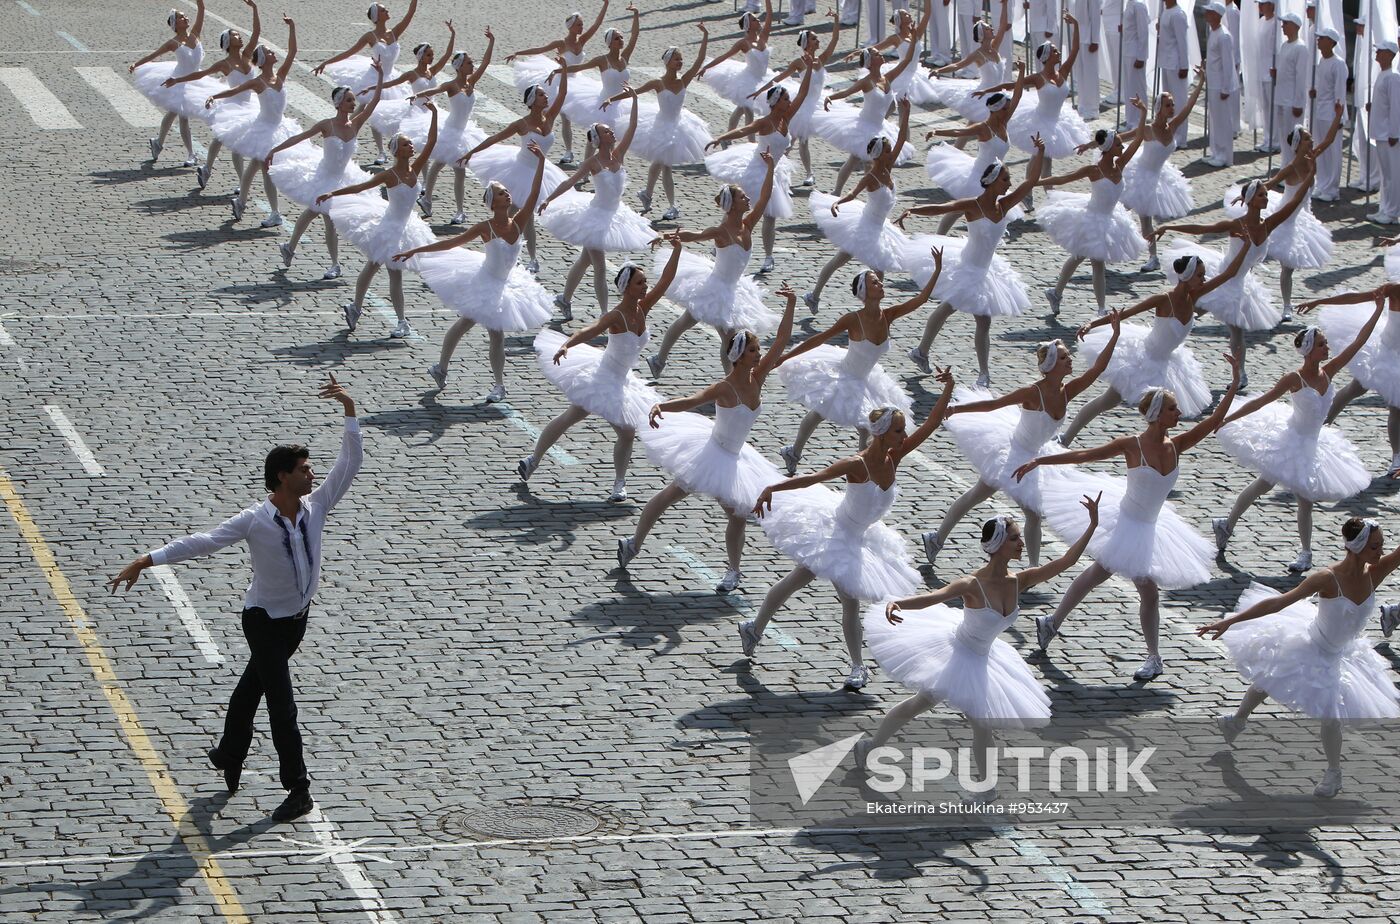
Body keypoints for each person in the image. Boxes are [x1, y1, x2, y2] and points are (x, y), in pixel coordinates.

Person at [107, 375, 362, 824]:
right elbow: (203, 542)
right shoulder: (253, 521)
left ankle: (229, 753)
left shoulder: (316, 506)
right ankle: (298, 787)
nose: (312, 473)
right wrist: (146, 560)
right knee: (281, 703)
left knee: (250, 690)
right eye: (304, 469)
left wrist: (349, 412)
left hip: (295, 621)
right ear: (283, 477)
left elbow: (349, 465)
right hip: (263, 620)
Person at [1016, 358, 1242, 681]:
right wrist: (1041, 460)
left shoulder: (1178, 444)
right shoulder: (1131, 445)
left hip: (1151, 527)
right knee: (1127, 584)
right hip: (1126, 522)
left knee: (1105, 576)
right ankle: (1148, 655)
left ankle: (1055, 624)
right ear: (1157, 414)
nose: (1179, 414)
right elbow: (1085, 455)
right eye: (1173, 409)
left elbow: (1216, 420)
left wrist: (1234, 382)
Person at [857, 501, 1101, 792]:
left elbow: (1065, 563)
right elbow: (935, 597)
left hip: (985, 657)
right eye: (1014, 538)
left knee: (938, 709)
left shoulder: (1019, 580)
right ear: (997, 544)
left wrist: (1092, 526)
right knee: (945, 712)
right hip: (957, 654)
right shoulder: (971, 584)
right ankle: (984, 787)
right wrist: (897, 603)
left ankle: (873, 746)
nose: (1021, 543)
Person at [747, 372, 956, 690]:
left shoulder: (894, 456)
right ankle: (856, 665)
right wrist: (772, 488)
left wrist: (948, 390)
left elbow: (929, 426)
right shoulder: (856, 464)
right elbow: (812, 479)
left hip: (862, 536)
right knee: (836, 595)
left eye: (902, 431)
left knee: (811, 585)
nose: (904, 436)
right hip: (837, 532)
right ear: (884, 433)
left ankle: (755, 628)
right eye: (899, 431)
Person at [1199, 517, 1400, 798]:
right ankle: (1239, 721)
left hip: (1344, 652)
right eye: (1375, 547)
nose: (1381, 552)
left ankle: (1330, 772)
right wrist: (1231, 621)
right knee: (1272, 677)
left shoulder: (1375, 572)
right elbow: (1278, 603)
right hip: (1314, 645)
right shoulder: (1327, 579)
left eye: (1381, 546)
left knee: (1317, 706)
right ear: (1356, 547)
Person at [620, 286, 799, 593]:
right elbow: (691, 400)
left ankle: (733, 571)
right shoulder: (724, 386)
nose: (759, 354)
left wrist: (791, 305)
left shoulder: (758, 377)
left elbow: (781, 341)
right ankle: (634, 542)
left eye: (758, 351)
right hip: (711, 453)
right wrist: (662, 406)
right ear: (739, 356)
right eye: (754, 350)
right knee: (670, 496)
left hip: (737, 458)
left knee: (738, 515)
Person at [921, 324, 1118, 567]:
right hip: (1013, 453)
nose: (1070, 360)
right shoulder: (1032, 392)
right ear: (1053, 364)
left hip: (1037, 456)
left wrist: (1115, 335)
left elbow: (1098, 369)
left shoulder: (1068, 391)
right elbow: (993, 405)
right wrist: (954, 409)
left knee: (999, 502)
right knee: (1009, 505)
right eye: (1065, 357)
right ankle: (1031, 569)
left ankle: (938, 539)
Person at [1212, 302, 1384, 573]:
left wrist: (1377, 309)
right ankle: (1297, 550)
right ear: (1309, 350)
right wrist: (1227, 418)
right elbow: (1261, 402)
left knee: (1281, 491)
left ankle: (1231, 525)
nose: (1327, 348)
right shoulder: (1294, 378)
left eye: (1326, 343)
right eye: (1322, 344)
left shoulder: (1330, 370)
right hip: (1292, 441)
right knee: (1278, 490)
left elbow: (1359, 341)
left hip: (1314, 442)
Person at [519, 241, 684, 502]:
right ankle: (534, 459)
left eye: (644, 282)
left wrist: (676, 250)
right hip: (602, 376)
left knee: (622, 430)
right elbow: (591, 330)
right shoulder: (616, 316)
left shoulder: (644, 307)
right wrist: (566, 345)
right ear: (627, 288)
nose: (645, 286)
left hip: (622, 379)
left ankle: (618, 483)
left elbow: (666, 279)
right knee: (576, 417)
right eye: (640, 283)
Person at [394, 142, 554, 403]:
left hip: (505, 283)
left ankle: (450, 370)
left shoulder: (519, 221)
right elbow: (450, 243)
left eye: (507, 192)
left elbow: (534, 193)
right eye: (502, 194)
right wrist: (416, 250)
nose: (508, 196)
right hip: (485, 282)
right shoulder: (485, 227)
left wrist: (541, 163)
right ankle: (482, 379)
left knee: (477, 327)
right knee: (484, 330)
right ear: (494, 203)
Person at [1058, 246, 1248, 445]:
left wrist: (1246, 247)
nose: (1204, 279)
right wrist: (1092, 324)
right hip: (1142, 359)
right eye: (1200, 275)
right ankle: (1066, 437)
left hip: (1168, 364)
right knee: (1108, 401)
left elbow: (1229, 273)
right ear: (1188, 275)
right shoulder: (1163, 299)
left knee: (1161, 414)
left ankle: (1159, 452)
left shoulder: (1195, 296)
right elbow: (1126, 313)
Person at [776, 262, 941, 476]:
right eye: (875, 282)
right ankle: (795, 452)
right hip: (844, 374)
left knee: (865, 425)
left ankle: (862, 472)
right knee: (822, 411)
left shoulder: (888, 315)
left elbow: (920, 300)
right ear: (864, 291)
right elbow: (820, 338)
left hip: (866, 379)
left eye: (879, 281)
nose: (881, 284)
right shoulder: (853, 319)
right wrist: (785, 357)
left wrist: (936, 270)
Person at [901, 142, 1044, 386]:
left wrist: (1039, 152)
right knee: (966, 313)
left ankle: (924, 352)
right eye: (1005, 179)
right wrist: (912, 210)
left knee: (962, 312)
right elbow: (942, 208)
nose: (1009, 184)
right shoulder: (973, 205)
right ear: (992, 181)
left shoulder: (1004, 204)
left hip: (986, 269)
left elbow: (1030, 182)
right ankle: (981, 373)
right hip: (966, 266)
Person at [1155, 176, 1309, 385]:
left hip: (1238, 282)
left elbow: (1293, 203)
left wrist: (1308, 176)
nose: (1266, 198)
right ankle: (1159, 345)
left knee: (1235, 330)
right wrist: (1170, 228)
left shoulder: (1268, 225)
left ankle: (1241, 375)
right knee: (1189, 312)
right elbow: (1202, 228)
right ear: (1251, 199)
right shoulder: (1235, 225)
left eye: (1265, 194)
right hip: (1222, 276)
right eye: (1262, 194)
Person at [647, 161, 779, 380]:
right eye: (742, 197)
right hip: (715, 288)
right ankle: (729, 380)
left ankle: (660, 359)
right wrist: (666, 235)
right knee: (719, 334)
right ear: (732, 204)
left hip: (734, 288)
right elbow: (695, 235)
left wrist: (770, 169)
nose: (747, 199)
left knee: (700, 326)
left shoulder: (747, 224)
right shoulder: (721, 231)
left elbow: (764, 199)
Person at [317, 104, 440, 338]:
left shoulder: (415, 169)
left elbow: (432, 142)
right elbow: (361, 186)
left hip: (408, 226)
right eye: (406, 144)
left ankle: (384, 315)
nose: (411, 146)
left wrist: (433, 114)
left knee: (387, 271)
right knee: (378, 267)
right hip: (390, 227)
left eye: (410, 143)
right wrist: (333, 193)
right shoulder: (389, 175)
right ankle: (369, 310)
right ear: (396, 151)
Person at [538, 93, 655, 321]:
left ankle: (564, 299)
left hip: (615, 214)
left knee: (584, 260)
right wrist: (548, 199)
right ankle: (604, 314)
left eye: (610, 131)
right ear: (598, 139)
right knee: (599, 265)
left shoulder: (618, 154)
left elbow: (632, 126)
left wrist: (634, 100)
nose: (611, 132)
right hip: (594, 217)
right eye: (606, 131)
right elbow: (569, 182)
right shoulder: (592, 163)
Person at [1221, 105, 1342, 317]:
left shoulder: (1312, 157)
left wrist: (1338, 116)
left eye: (1310, 138)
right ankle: (1236, 291)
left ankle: (1287, 306)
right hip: (1281, 219)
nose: (1311, 141)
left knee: (1288, 267)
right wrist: (1248, 195)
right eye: (1307, 139)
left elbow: (1329, 140)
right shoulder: (1291, 168)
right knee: (1253, 258)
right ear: (1297, 145)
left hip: (1300, 219)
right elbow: (1269, 183)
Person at [266, 65, 385, 281]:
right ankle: (331, 263)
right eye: (349, 100)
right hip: (324, 177)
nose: (353, 103)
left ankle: (293, 249)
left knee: (320, 215)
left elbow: (374, 103)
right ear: (339, 102)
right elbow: (299, 137)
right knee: (323, 215)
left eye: (353, 100)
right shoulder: (326, 125)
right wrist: (275, 150)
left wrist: (381, 77)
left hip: (343, 178)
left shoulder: (355, 124)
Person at [705, 59, 817, 275]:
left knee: (769, 215)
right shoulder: (765, 122)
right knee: (735, 208)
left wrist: (809, 69)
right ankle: (721, 239)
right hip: (756, 168)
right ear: (775, 103)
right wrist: (720, 138)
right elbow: (742, 130)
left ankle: (768, 256)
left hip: (772, 170)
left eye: (788, 98)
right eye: (785, 99)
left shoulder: (787, 118)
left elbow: (803, 94)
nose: (789, 101)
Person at [805, 100, 916, 312]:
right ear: (878, 154)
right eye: (887, 149)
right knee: (844, 260)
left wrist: (906, 115)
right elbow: (852, 193)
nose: (892, 150)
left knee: (877, 268)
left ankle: (871, 308)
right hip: (865, 226)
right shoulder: (871, 176)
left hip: (880, 226)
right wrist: (838, 202)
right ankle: (815, 294)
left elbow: (902, 139)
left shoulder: (888, 167)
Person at [459, 66, 571, 275]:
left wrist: (563, 70)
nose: (545, 97)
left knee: (521, 217)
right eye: (541, 95)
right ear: (531, 101)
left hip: (540, 172)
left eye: (545, 94)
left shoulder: (550, 117)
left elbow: (563, 94)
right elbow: (495, 138)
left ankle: (527, 256)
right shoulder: (521, 124)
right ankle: (517, 256)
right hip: (519, 170)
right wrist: (470, 153)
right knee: (518, 218)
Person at [1037, 123, 1146, 317]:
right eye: (1119, 145)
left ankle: (1055, 292)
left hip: (1111, 218)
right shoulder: (1093, 170)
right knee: (1097, 262)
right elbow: (1063, 179)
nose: (1122, 148)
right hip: (1092, 219)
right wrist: (1034, 182)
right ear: (1109, 148)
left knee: (1079, 257)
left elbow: (1138, 139)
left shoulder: (1119, 164)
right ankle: (1101, 309)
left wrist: (1144, 113)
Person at [813, 8, 925, 195]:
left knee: (870, 162)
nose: (881, 55)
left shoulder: (888, 77)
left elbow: (905, 62)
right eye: (876, 54)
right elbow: (847, 92)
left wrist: (914, 39)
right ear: (871, 62)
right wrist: (830, 97)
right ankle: (837, 192)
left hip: (879, 126)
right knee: (855, 160)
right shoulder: (866, 82)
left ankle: (871, 196)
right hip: (864, 126)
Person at [204, 16, 302, 228]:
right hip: (264, 130)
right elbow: (235, 90)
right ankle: (274, 212)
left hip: (280, 128)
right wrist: (215, 97)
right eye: (269, 52)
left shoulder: (281, 75)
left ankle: (241, 201)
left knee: (258, 165)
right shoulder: (258, 82)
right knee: (265, 167)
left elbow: (293, 52)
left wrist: (292, 27)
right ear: (263, 59)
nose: (273, 53)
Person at [609, 26, 713, 221]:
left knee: (662, 163)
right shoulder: (658, 83)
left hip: (680, 125)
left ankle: (649, 194)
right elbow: (635, 92)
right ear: (668, 63)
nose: (680, 62)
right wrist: (610, 100)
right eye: (677, 59)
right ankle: (669, 204)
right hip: (661, 126)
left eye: (681, 59)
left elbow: (699, 61)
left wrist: (705, 36)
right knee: (664, 164)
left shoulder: (684, 80)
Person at [1301, 280, 1400, 476]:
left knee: (1396, 407)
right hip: (1386, 353)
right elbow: (1357, 297)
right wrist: (1320, 301)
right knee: (1356, 388)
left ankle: (1397, 456)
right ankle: (1318, 427)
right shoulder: (1396, 289)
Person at [163, 0, 259, 191]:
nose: (240, 38)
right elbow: (200, 74)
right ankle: (240, 183)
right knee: (232, 144)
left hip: (249, 105)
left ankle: (207, 168)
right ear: (227, 43)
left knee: (222, 138)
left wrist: (255, 9)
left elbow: (256, 33)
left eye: (239, 35)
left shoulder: (248, 55)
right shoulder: (224, 64)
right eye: (235, 36)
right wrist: (177, 80)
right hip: (233, 105)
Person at [313, 0, 420, 164]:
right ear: (377, 17)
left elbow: (410, 14)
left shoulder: (394, 33)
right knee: (369, 110)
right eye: (384, 10)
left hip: (390, 78)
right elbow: (350, 52)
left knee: (391, 114)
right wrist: (326, 63)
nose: (387, 11)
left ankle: (394, 148)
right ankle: (378, 151)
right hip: (374, 76)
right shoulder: (370, 36)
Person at [922, 69, 1027, 234]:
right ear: (996, 109)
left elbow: (1018, 96)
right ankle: (939, 235)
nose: (1009, 111)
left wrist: (1021, 72)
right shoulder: (983, 127)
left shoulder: (1003, 122)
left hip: (996, 175)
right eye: (1005, 108)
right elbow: (959, 132)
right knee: (959, 208)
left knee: (988, 210)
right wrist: (937, 132)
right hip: (978, 174)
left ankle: (982, 238)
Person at [506, 1, 610, 166]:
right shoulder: (561, 43)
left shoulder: (582, 41)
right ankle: (568, 151)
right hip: (562, 80)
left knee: (585, 114)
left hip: (578, 82)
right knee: (564, 117)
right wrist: (518, 52)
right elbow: (540, 49)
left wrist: (606, 4)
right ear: (570, 27)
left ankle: (590, 146)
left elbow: (597, 24)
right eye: (578, 25)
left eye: (582, 24)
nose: (581, 27)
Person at [1122, 73, 1204, 271]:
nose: (1172, 108)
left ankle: (1152, 257)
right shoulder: (1149, 129)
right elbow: (1123, 136)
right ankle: (1114, 243)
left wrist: (1201, 81)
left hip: (1158, 177)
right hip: (1138, 174)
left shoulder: (1172, 126)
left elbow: (1189, 107)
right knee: (1120, 212)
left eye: (1173, 104)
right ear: (1159, 108)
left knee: (1145, 220)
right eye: (1168, 105)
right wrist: (1095, 143)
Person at [412, 27, 494, 225]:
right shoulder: (452, 85)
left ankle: (451, 208)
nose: (472, 65)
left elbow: (486, 63)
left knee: (454, 168)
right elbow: (437, 89)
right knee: (443, 164)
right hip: (450, 131)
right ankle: (431, 200)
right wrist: (418, 95)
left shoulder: (471, 83)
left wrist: (491, 42)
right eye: (468, 63)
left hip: (464, 132)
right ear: (459, 67)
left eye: (471, 62)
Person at [749, 16, 843, 189]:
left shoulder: (820, 59)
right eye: (815, 38)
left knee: (801, 141)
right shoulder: (799, 62)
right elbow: (779, 77)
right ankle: (774, 170)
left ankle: (807, 174)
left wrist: (836, 20)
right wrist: (761, 90)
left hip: (815, 103)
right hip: (802, 104)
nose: (818, 40)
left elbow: (835, 40)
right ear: (807, 43)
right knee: (790, 140)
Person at [551, 4, 641, 161]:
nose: (621, 40)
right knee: (595, 138)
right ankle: (586, 167)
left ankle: (610, 166)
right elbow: (580, 66)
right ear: (609, 43)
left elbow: (634, 36)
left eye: (621, 38)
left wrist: (636, 15)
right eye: (616, 38)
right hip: (604, 104)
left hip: (621, 104)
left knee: (613, 138)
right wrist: (560, 70)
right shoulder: (602, 60)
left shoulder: (625, 57)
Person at [131, 0, 207, 167]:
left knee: (173, 113)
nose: (186, 18)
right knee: (183, 117)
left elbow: (202, 9)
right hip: (178, 82)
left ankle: (158, 142)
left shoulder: (195, 34)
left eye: (186, 16)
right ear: (175, 24)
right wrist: (136, 64)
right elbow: (153, 56)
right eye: (181, 17)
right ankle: (191, 154)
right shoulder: (173, 43)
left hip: (195, 81)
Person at [700, 2, 776, 133]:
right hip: (748, 81)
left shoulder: (763, 37)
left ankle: (728, 136)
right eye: (754, 19)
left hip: (763, 78)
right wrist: (706, 67)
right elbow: (725, 56)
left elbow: (770, 15)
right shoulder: (743, 43)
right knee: (748, 110)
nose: (758, 20)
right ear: (748, 25)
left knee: (741, 109)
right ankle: (751, 142)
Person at [1309, 28, 1348, 202]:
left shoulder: (1338, 63)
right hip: (1320, 110)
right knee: (1320, 148)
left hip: (1332, 114)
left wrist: (1340, 117)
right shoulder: (1321, 61)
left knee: (1332, 151)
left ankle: (1332, 188)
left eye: (1322, 38)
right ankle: (1322, 183)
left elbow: (1340, 90)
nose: (1318, 41)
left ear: (1331, 42)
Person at [1201, 2, 1239, 167]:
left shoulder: (1224, 36)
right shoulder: (1213, 32)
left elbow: (1228, 64)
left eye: (1210, 12)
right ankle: (1216, 151)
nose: (1207, 15)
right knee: (1214, 121)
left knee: (1222, 121)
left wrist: (1226, 88)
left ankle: (1224, 155)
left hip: (1221, 85)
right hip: (1213, 82)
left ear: (1217, 15)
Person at [1369, 41, 1400, 225]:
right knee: (1385, 175)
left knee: (1393, 175)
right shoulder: (1383, 75)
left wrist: (1395, 133)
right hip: (1381, 132)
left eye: (1380, 51)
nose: (1377, 54)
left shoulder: (1393, 77)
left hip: (1389, 135)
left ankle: (1393, 211)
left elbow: (1396, 108)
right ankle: (1385, 207)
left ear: (1389, 54)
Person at [1271, 13, 1309, 154]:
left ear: (1295, 26)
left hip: (1291, 101)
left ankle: (1293, 166)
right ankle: (1286, 163)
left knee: (1293, 137)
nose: (1283, 26)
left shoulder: (1300, 48)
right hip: (1281, 97)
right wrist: (1277, 73)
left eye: (1286, 24)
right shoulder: (1284, 45)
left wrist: (1298, 103)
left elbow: (1300, 77)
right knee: (1283, 135)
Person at [1155, 0, 1191, 146]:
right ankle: (1169, 133)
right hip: (1166, 61)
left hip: (1176, 63)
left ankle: (1181, 137)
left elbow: (1182, 42)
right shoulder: (1165, 11)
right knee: (1168, 102)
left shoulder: (1178, 14)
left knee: (1179, 101)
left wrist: (1184, 65)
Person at [1120, 0, 1150, 129]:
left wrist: (1141, 57)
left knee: (1138, 88)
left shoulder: (1139, 5)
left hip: (1135, 53)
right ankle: (1131, 121)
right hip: (1127, 51)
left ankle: (1139, 121)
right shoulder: (1130, 3)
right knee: (1129, 89)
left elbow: (1143, 33)